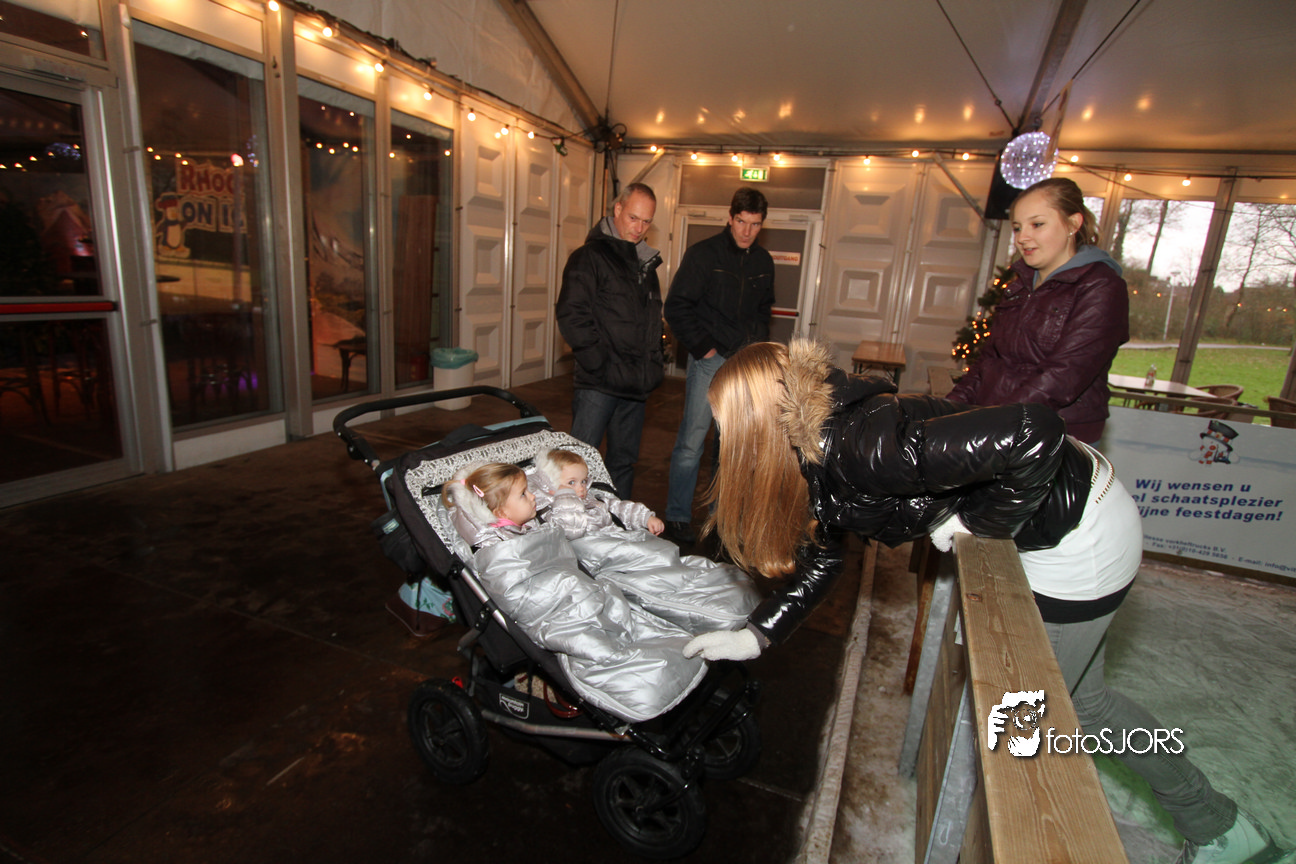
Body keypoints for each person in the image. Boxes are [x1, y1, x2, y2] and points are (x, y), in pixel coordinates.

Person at [683, 338, 1284, 864]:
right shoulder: (815, 447)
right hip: (1058, 515)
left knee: (1028, 723)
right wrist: (757, 633)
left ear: (759, 421)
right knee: (1084, 703)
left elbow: (1036, 433)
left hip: (1081, 535)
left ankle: (1206, 826)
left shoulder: (861, 448)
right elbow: (826, 554)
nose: (723, 437)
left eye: (726, 424)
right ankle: (1221, 826)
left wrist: (978, 525)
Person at [946, 176, 1129, 445]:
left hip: (1056, 433)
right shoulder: (1020, 284)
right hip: (1000, 424)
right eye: (1017, 228)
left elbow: (1065, 374)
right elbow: (988, 361)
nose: (1022, 238)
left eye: (1037, 224)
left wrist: (992, 423)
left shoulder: (1101, 286)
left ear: (1073, 224)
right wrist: (946, 412)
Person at [661, 186, 775, 544]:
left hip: (743, 367)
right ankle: (677, 517)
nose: (747, 231)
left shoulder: (763, 262)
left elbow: (764, 312)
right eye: (741, 222)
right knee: (692, 442)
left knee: (731, 448)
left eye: (755, 225)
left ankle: (718, 520)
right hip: (709, 362)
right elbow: (676, 306)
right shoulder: (703, 254)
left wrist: (755, 350)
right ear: (730, 217)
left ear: (762, 224)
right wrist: (705, 350)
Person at [555, 182, 663, 499]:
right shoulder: (589, 257)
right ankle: (571, 523)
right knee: (577, 465)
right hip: (598, 384)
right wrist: (598, 363)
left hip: (635, 385)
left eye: (646, 222)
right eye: (633, 218)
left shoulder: (646, 264)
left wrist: (653, 364)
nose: (639, 228)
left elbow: (651, 321)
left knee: (623, 463)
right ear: (617, 209)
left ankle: (618, 521)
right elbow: (571, 313)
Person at [530, 448, 664, 538]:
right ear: (550, 484)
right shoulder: (549, 512)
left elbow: (619, 507)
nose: (581, 488)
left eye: (583, 481)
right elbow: (570, 530)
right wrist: (565, 497)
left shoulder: (591, 497)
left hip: (616, 539)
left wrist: (645, 517)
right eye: (571, 482)